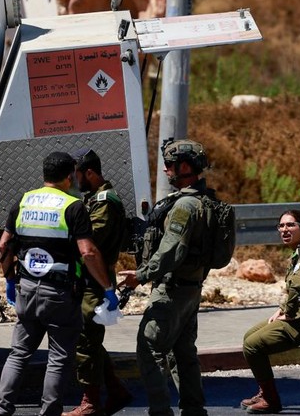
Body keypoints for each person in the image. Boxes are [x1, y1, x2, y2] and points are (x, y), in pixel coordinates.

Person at [0, 152, 115, 416]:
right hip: (59, 294)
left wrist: (10, 280)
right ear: (69, 175)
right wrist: (106, 287)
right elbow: (88, 252)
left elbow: (3, 245)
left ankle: (1, 410)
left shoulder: (23, 201)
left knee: (18, 353)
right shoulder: (73, 206)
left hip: (26, 289)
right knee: (58, 359)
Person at [119, 138, 216, 416]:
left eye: (169, 165)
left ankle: (160, 411)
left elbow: (172, 250)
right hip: (191, 287)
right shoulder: (205, 199)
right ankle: (194, 410)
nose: (165, 171)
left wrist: (141, 275)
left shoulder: (185, 206)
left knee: (149, 347)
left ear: (185, 166)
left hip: (172, 290)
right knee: (183, 353)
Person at [63, 148, 132, 416]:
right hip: (88, 277)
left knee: (85, 340)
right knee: (90, 339)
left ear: (89, 173)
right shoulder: (93, 198)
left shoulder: (104, 201)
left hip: (96, 278)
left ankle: (90, 402)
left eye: (78, 174)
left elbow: (92, 240)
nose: (74, 180)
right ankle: (116, 391)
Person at [240, 210, 300, 414]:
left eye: (290, 225)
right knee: (248, 336)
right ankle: (264, 392)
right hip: (294, 313)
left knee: (253, 345)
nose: (284, 230)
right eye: (281, 226)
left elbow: (299, 287)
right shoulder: (298, 254)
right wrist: (281, 310)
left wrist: (287, 311)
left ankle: (271, 400)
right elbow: (295, 288)